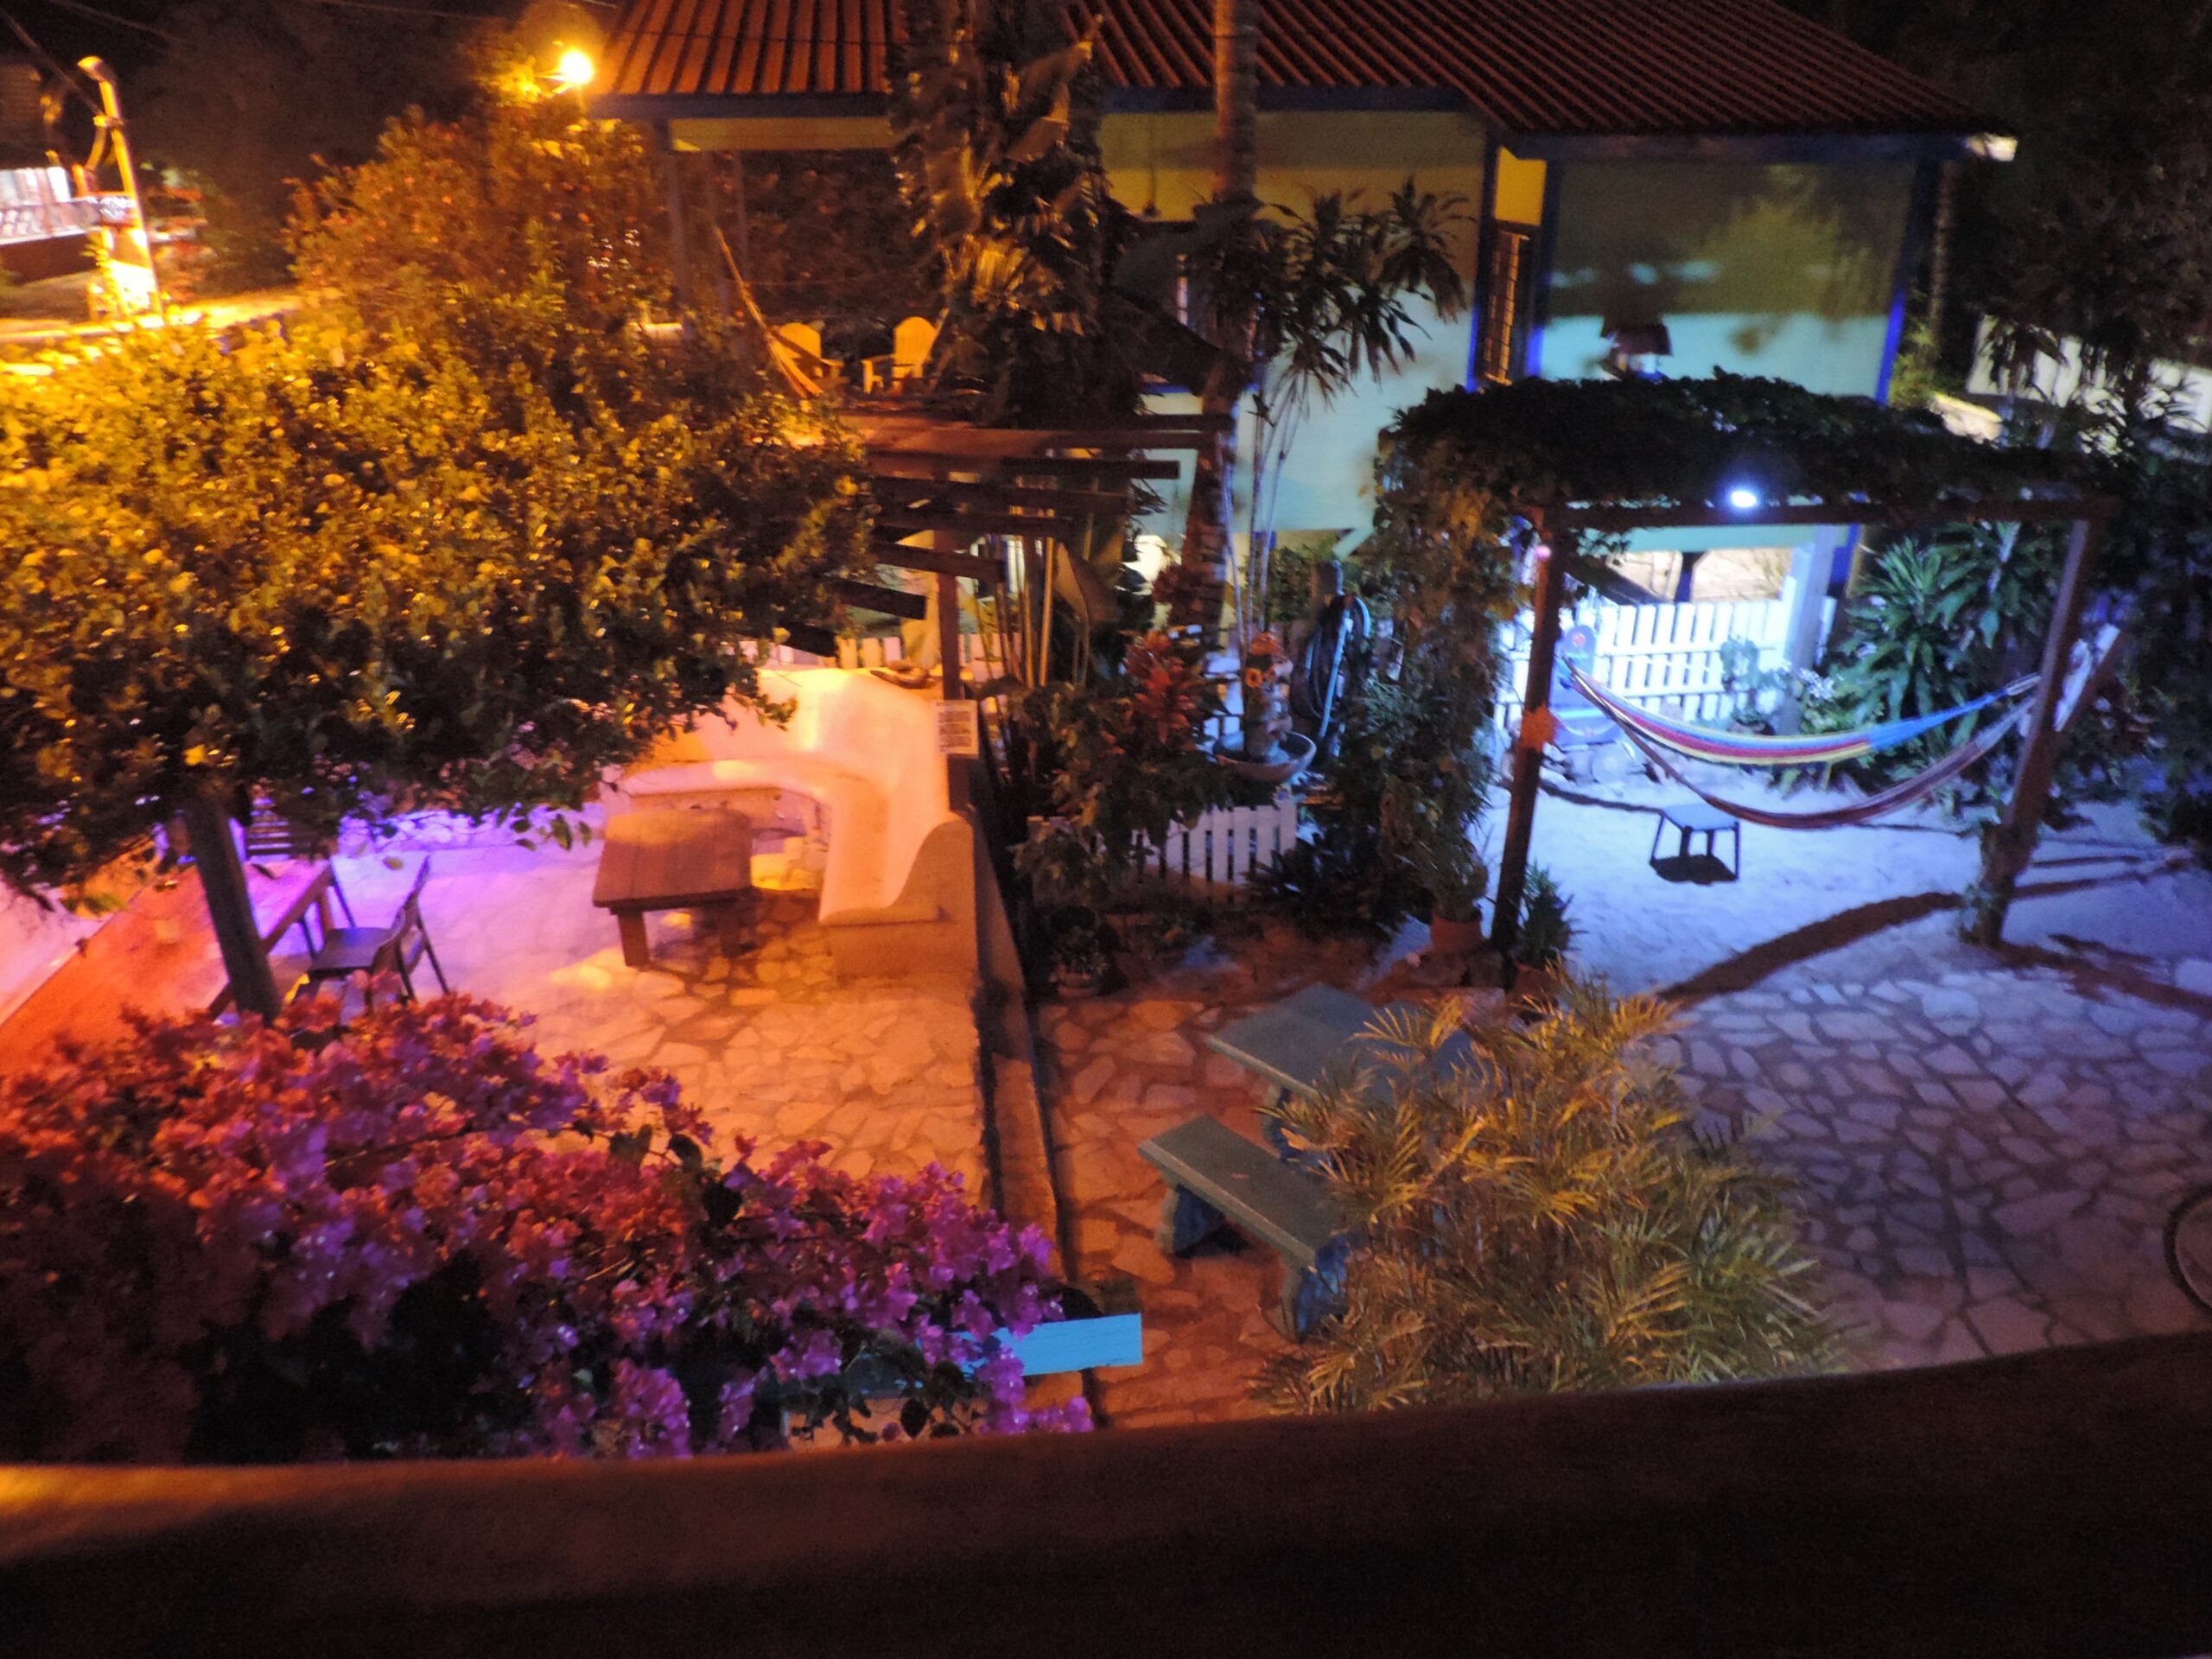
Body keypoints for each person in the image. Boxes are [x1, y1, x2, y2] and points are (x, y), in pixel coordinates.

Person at [1288, 558, 1371, 763]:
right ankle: (1313, 751)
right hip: (1318, 672)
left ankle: (1328, 750)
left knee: (1332, 706)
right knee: (1314, 706)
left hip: (1335, 673)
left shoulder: (1345, 609)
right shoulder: (1315, 620)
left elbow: (1358, 637)